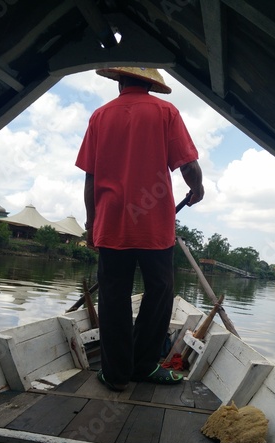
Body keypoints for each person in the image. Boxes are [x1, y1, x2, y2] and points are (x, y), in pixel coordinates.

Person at [76, 67, 204, 391]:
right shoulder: (165, 112)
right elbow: (188, 164)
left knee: (113, 297)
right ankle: (144, 366)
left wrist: (92, 224)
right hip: (153, 223)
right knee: (160, 293)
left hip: (112, 221)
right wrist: (197, 187)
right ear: (149, 83)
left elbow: (90, 178)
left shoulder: (99, 116)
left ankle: (116, 375)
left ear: (120, 80)